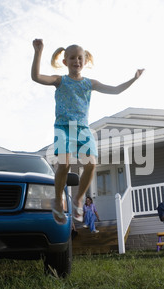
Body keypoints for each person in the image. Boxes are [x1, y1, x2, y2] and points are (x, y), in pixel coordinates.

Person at [31, 39, 144, 225]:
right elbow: (36, 77)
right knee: (64, 165)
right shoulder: (60, 80)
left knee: (91, 164)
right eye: (72, 58)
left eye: (80, 58)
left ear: (85, 61)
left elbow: (115, 90)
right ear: (65, 62)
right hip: (63, 128)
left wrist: (133, 79)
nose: (76, 61)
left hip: (82, 128)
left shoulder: (89, 83)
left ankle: (78, 199)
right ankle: (58, 199)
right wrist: (38, 51)